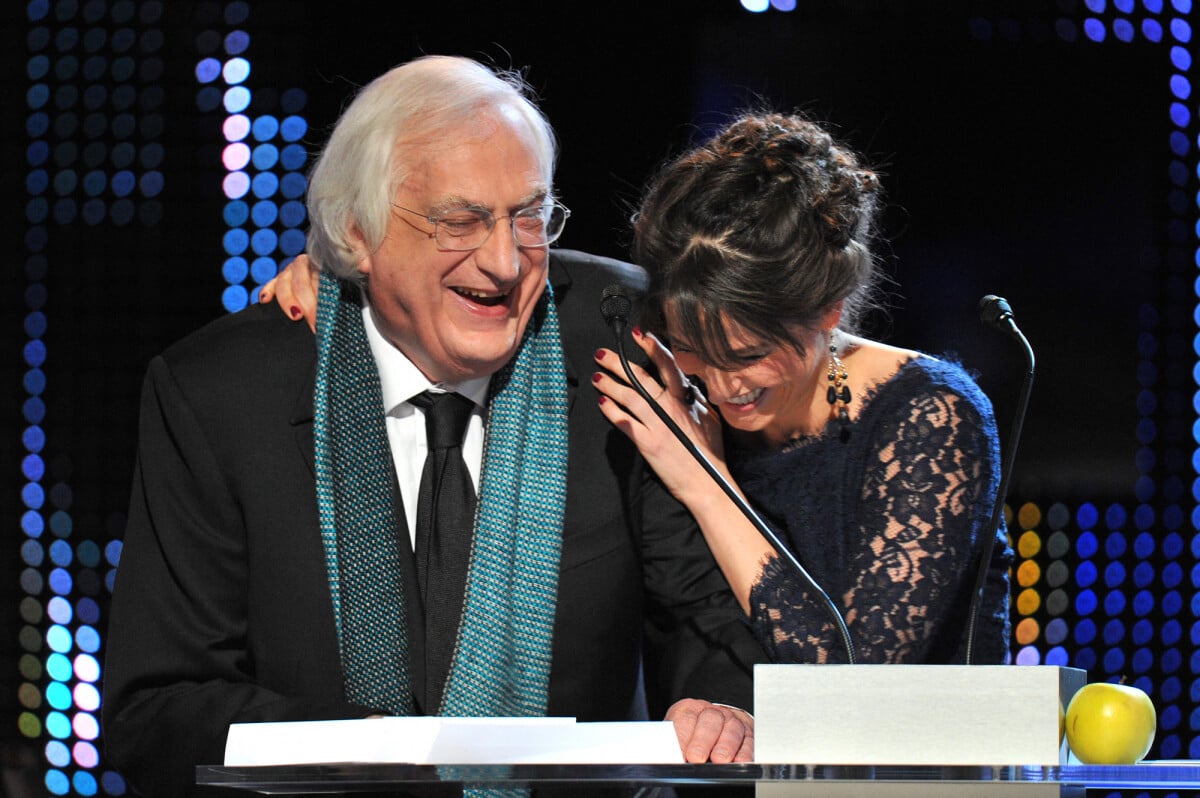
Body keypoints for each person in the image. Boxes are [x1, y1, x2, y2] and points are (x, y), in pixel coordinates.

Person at [101, 56, 766, 798]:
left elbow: (713, 610)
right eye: (462, 221)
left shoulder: (620, 336)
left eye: (529, 216)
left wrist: (721, 704)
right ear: (357, 231)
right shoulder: (220, 394)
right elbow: (155, 709)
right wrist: (354, 754)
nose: (506, 260)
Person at [592, 112, 1012, 665]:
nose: (720, 389)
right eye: (693, 350)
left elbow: (851, 682)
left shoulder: (933, 415)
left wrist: (705, 481)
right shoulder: (681, 403)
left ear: (828, 310)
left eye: (746, 355)